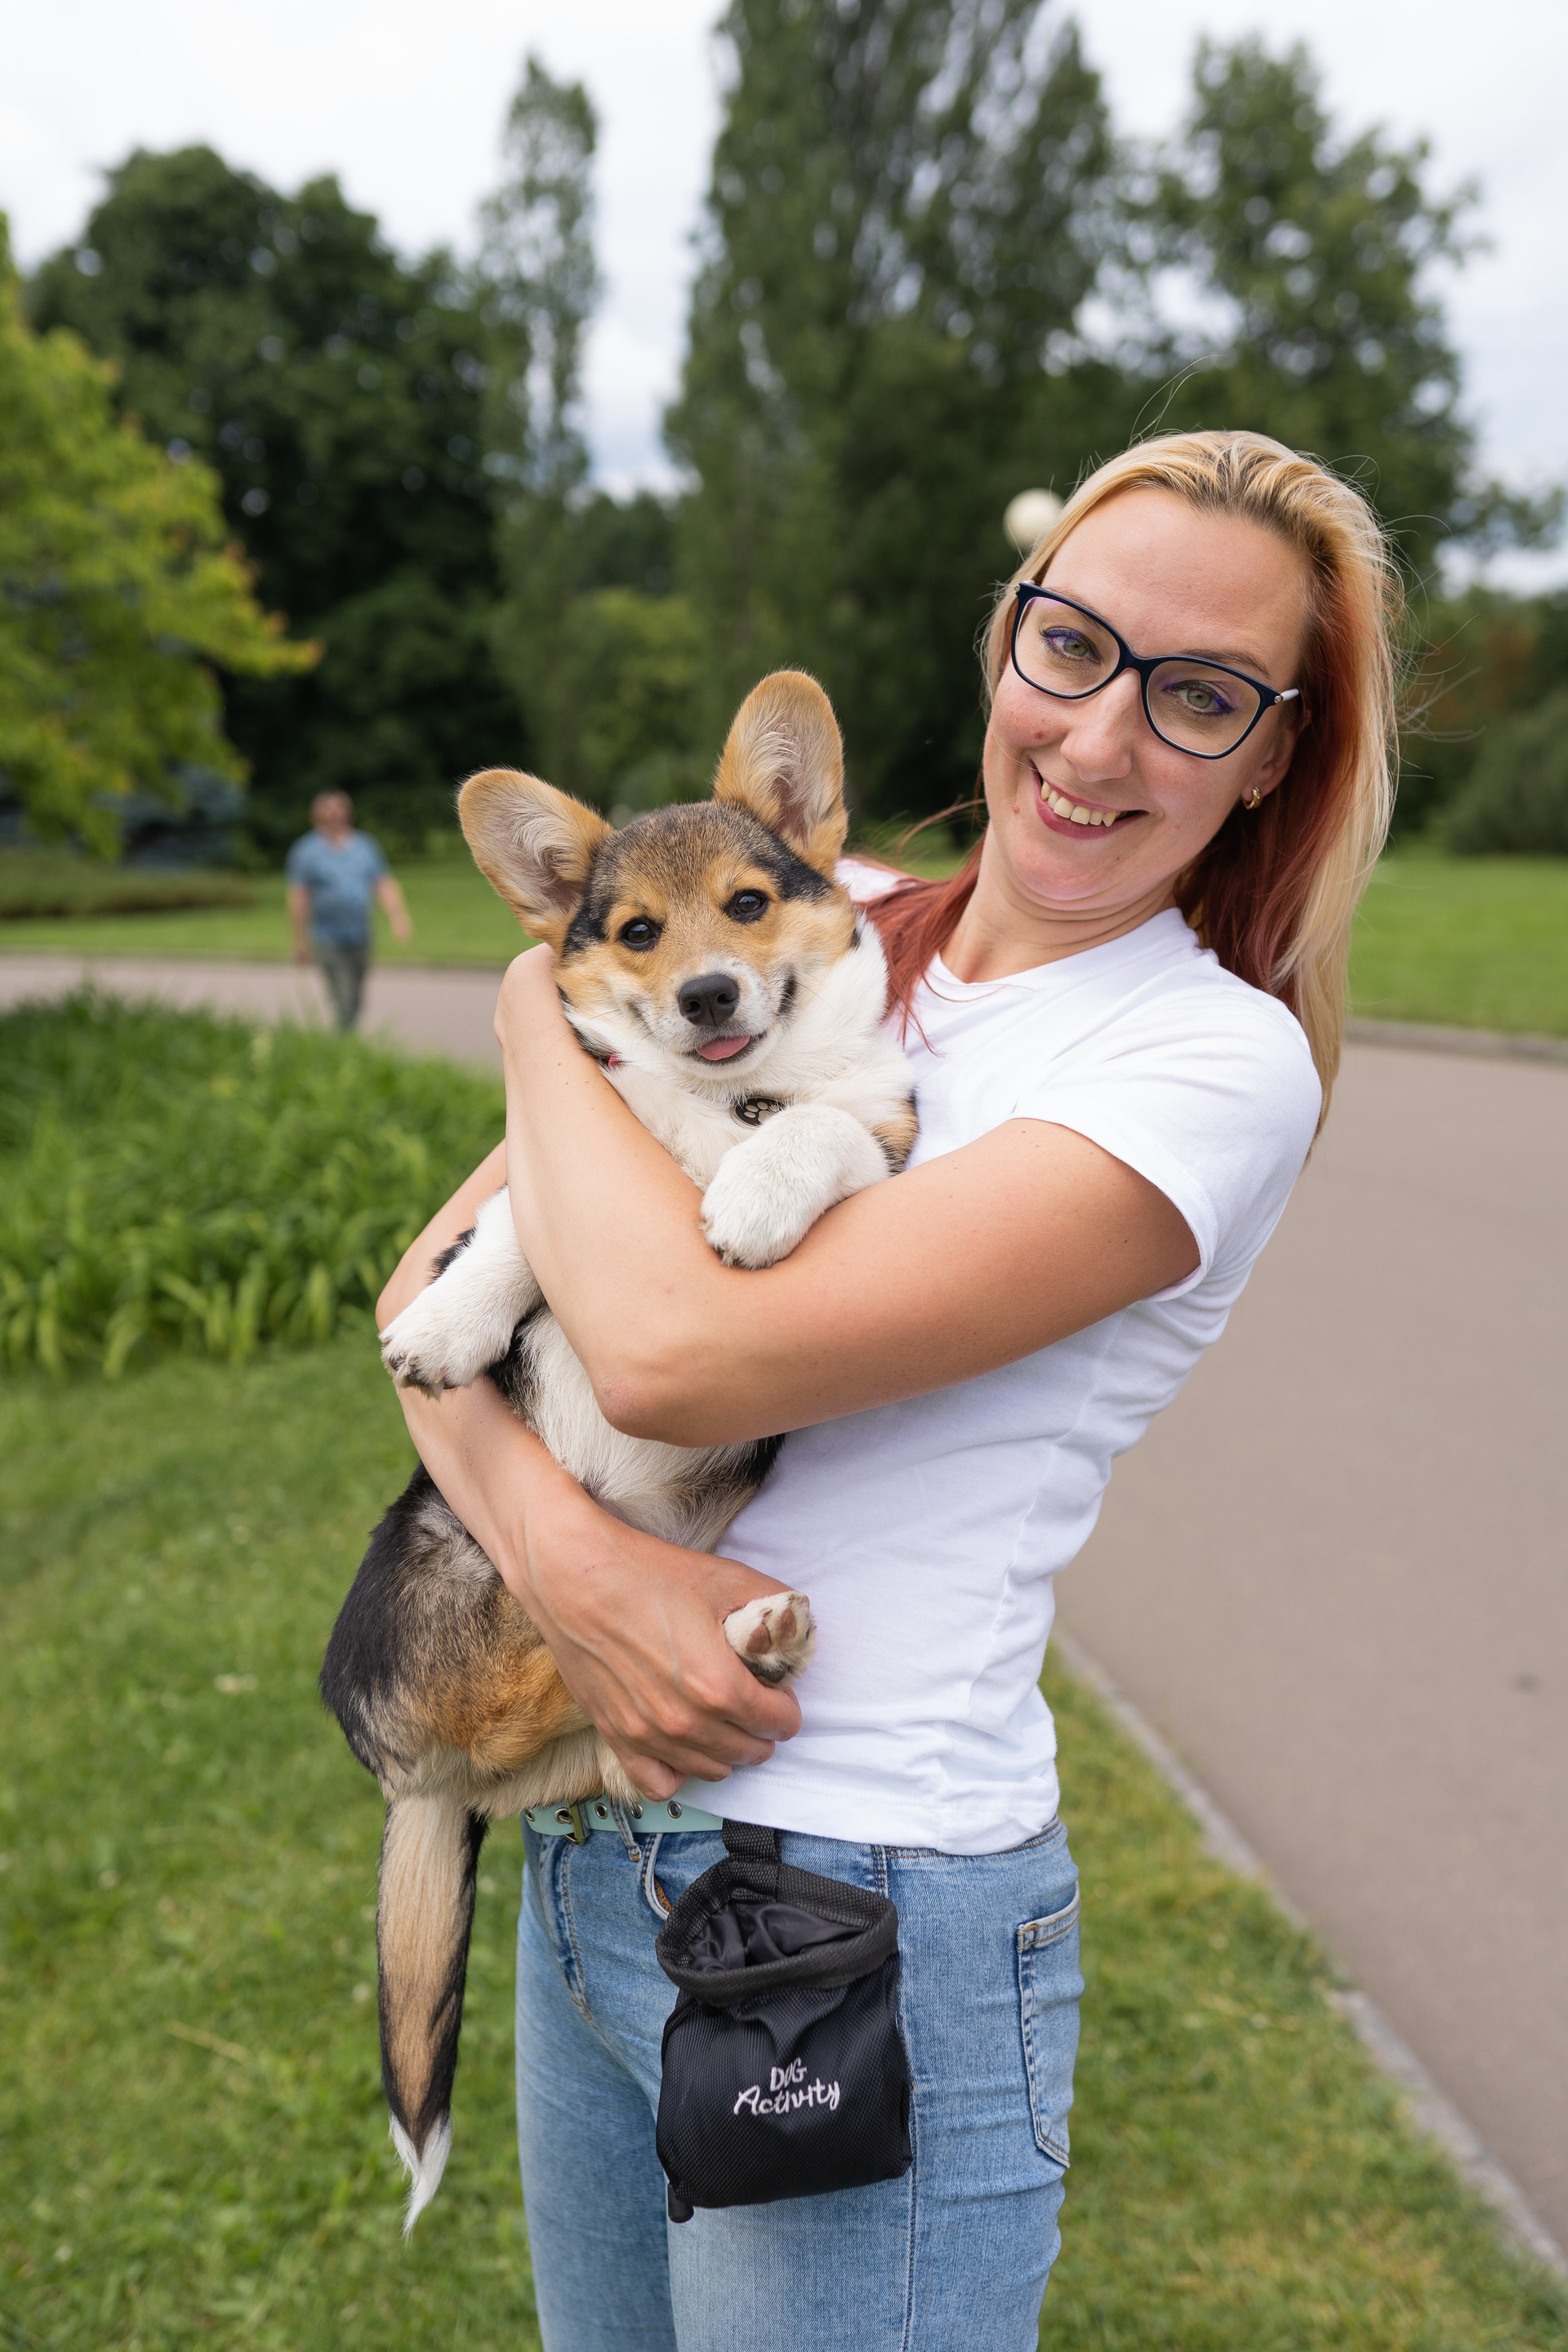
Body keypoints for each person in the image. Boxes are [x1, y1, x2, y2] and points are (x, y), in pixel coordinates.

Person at [375, 430, 1397, 2351]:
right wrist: (577, 1579)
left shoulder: (1205, 1063)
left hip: (859, 1902)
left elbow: (670, 1352)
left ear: (1273, 753)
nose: (1099, 738)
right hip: (598, 1855)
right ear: (1008, 637)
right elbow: (423, 1305)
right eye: (1073, 647)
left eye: (1198, 696)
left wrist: (549, 1003)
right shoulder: (811, 935)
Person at [285, 790, 412, 1030]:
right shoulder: (305, 851)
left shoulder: (365, 846)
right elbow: (299, 897)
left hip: (360, 933)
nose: (335, 815)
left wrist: (398, 918)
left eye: (339, 809)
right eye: (329, 810)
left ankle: (346, 1034)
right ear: (317, 816)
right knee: (342, 994)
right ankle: (344, 1036)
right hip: (326, 936)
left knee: (356, 993)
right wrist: (300, 940)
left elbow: (383, 884)